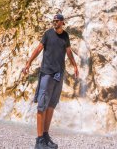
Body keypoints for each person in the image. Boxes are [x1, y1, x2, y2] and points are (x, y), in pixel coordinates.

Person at [22, 13, 79, 149]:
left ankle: (46, 136)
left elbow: (69, 52)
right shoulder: (48, 34)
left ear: (62, 22)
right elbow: (38, 48)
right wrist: (28, 62)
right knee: (42, 105)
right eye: (53, 20)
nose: (54, 22)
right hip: (47, 73)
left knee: (51, 105)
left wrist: (75, 65)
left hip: (58, 75)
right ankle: (39, 140)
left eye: (57, 20)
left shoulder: (65, 36)